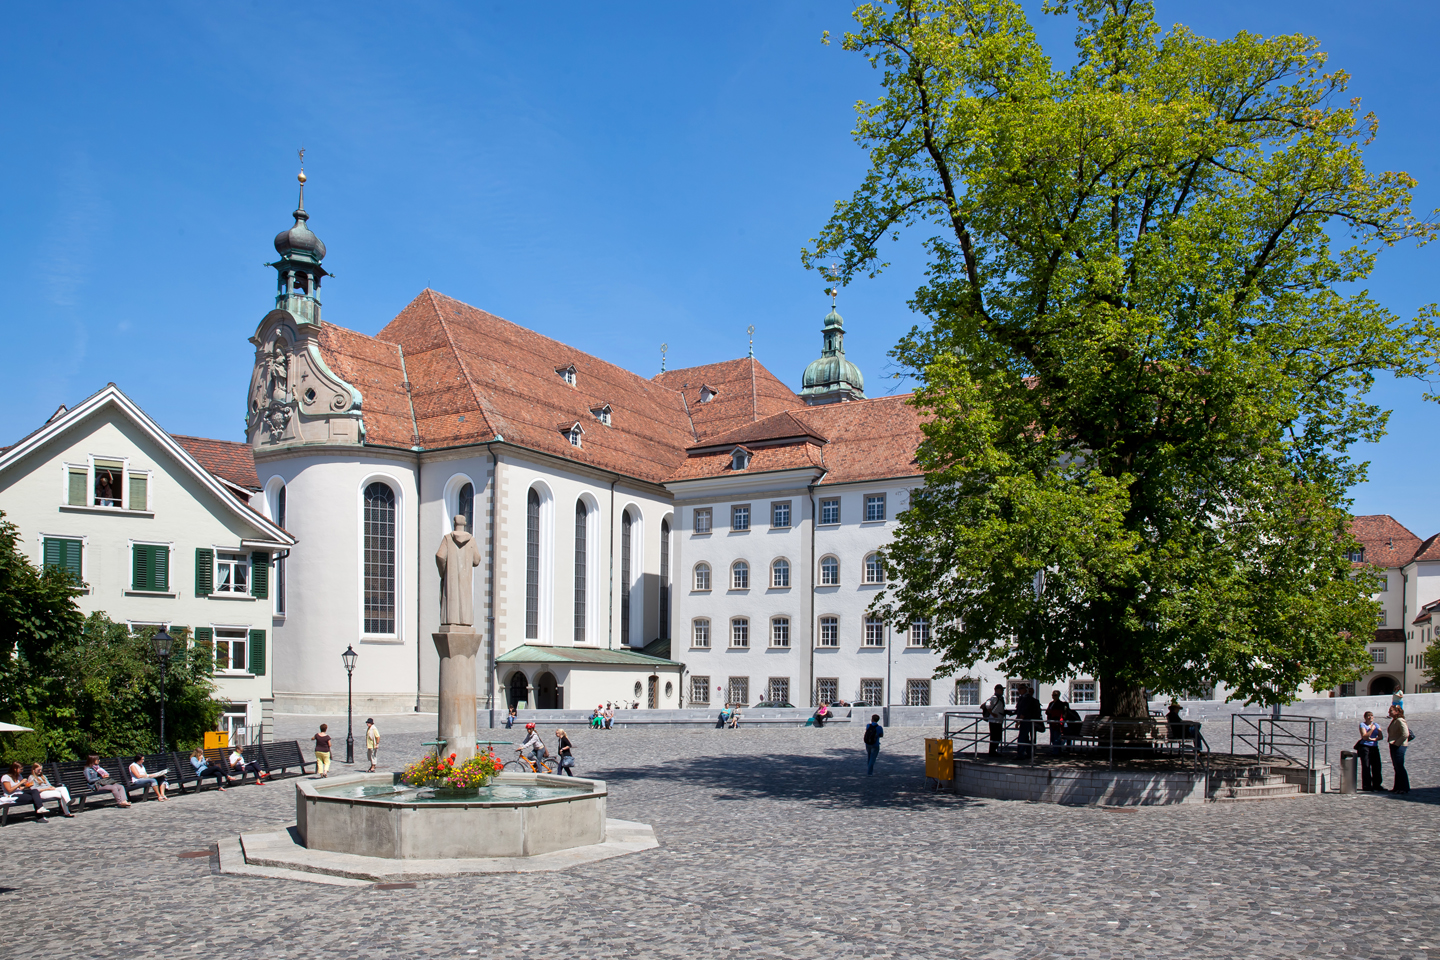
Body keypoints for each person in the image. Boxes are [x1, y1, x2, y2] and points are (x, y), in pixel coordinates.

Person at [1358, 711, 1385, 792]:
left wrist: (1375, 738)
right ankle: (1367, 785)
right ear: (1365, 717)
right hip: (1365, 747)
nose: (1370, 717)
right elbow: (1364, 737)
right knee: (1366, 766)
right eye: (1368, 716)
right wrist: (1371, 730)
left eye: (1371, 716)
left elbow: (1381, 736)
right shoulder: (1362, 725)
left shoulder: (1376, 725)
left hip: (1374, 747)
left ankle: (1377, 784)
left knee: (1377, 766)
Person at [1014, 684, 1042, 759]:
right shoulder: (1022, 698)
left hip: (1026, 721)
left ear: (1025, 689)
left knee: (1022, 738)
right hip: (1024, 721)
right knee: (1025, 738)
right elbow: (1019, 710)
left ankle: (1021, 754)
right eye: (1018, 688)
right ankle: (1028, 753)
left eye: (1021, 688)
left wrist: (1018, 721)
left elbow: (1024, 711)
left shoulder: (1027, 698)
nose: (1019, 690)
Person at [1387, 705, 1411, 794]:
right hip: (1394, 745)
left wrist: (1397, 743)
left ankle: (1404, 787)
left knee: (1400, 766)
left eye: (1391, 711)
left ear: (1397, 712)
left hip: (1399, 746)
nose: (1389, 712)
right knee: (1396, 767)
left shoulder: (1400, 720)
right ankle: (1397, 787)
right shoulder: (1394, 720)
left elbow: (1405, 734)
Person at [981, 684, 1006, 755]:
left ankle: (993, 751)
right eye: (1001, 689)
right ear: (997, 690)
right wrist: (992, 713)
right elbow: (987, 705)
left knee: (997, 736)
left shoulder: (1000, 698)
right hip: (994, 720)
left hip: (998, 720)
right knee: (995, 736)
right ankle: (992, 751)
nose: (1003, 691)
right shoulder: (995, 697)